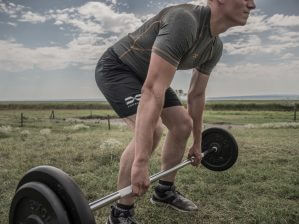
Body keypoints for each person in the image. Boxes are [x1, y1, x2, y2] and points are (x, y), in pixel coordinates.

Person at [95, 0, 256, 223]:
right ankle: (121, 213)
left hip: (148, 75)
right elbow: (152, 89)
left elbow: (196, 96)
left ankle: (164, 191)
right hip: (118, 68)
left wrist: (198, 142)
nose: (253, 5)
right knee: (152, 132)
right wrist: (140, 162)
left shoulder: (214, 47)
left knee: (183, 125)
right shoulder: (185, 21)